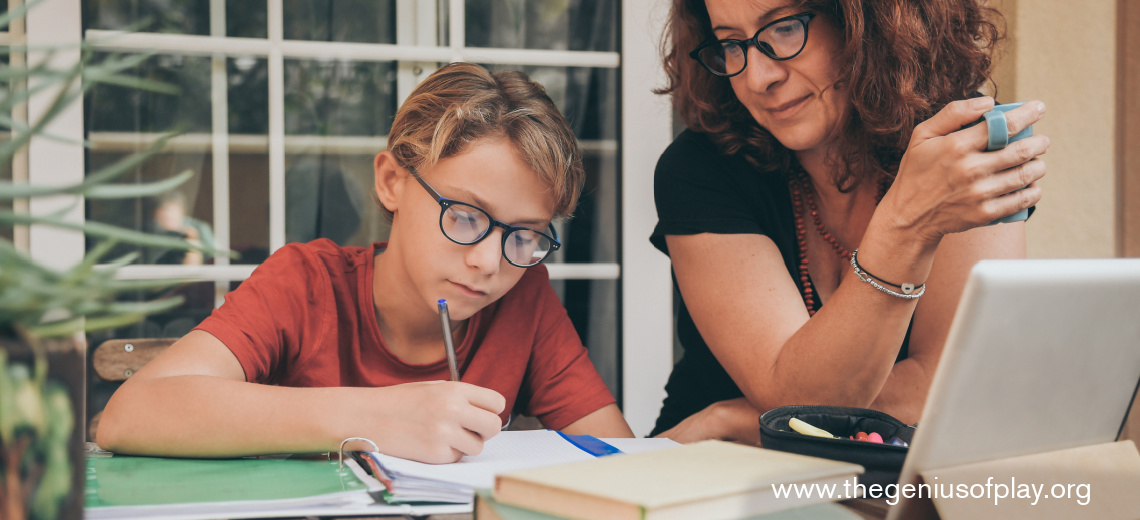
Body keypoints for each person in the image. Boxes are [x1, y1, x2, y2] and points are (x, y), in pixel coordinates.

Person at [98, 63, 634, 462]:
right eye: (467, 216)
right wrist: (375, 417)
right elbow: (130, 414)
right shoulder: (306, 284)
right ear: (392, 181)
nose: (489, 261)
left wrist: (679, 448)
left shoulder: (524, 297)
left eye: (526, 235)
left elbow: (615, 461)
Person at [649, 0, 1048, 444]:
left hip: (874, 481)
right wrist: (905, 226)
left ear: (869, 25)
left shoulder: (961, 145)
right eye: (730, 44)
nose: (759, 78)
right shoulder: (701, 167)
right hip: (714, 476)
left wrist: (732, 420)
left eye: (783, 29)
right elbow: (801, 398)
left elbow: (952, 385)